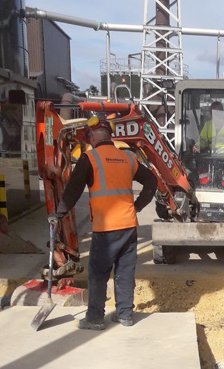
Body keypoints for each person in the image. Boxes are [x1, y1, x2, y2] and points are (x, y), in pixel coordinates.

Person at [56, 116, 159, 329]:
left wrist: (58, 214)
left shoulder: (90, 158)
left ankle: (94, 318)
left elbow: (72, 191)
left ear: (92, 136)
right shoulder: (128, 158)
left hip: (106, 228)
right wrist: (137, 206)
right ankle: (125, 316)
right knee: (124, 270)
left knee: (98, 272)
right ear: (109, 136)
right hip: (129, 226)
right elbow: (152, 180)